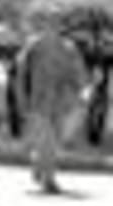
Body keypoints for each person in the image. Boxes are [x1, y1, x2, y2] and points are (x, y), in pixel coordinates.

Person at [16, 13, 91, 194]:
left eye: (57, 22)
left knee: (56, 140)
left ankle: (38, 164)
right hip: (39, 100)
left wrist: (83, 91)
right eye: (50, 22)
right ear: (44, 24)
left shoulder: (69, 47)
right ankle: (49, 180)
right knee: (47, 139)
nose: (53, 26)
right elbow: (21, 72)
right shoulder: (33, 45)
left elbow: (78, 71)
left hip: (62, 101)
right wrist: (21, 97)